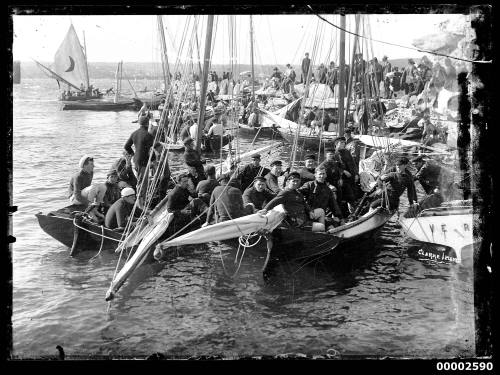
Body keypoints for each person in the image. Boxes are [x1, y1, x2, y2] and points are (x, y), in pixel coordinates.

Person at [124, 115, 155, 205]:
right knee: (143, 184)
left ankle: (141, 202)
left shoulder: (134, 133)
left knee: (140, 181)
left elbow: (126, 146)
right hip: (143, 162)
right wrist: (154, 160)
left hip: (136, 161)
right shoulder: (148, 135)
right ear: (147, 123)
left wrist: (133, 154)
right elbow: (150, 150)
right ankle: (140, 204)